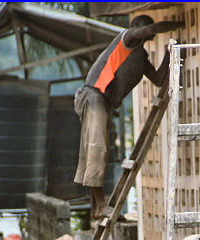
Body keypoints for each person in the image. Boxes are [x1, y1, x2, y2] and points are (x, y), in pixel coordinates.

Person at [74, 15, 185, 219]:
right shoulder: (125, 38)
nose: (147, 34)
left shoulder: (140, 57)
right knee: (96, 149)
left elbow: (160, 79)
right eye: (145, 29)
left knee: (99, 151)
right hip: (94, 95)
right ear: (135, 27)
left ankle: (96, 208)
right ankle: (99, 206)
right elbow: (146, 30)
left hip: (103, 102)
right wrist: (177, 23)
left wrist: (172, 53)